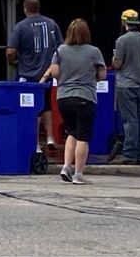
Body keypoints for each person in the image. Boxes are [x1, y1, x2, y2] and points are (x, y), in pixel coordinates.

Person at [40, 18, 105, 185]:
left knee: (71, 133)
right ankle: (78, 174)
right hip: (85, 97)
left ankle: (66, 167)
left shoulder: (60, 50)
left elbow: (54, 72)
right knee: (83, 137)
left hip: (63, 97)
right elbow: (102, 75)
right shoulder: (94, 51)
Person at [6, 0, 62, 148]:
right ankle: (50, 137)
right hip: (47, 73)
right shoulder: (51, 23)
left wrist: (12, 63)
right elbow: (61, 48)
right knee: (46, 104)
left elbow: (11, 51)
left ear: (25, 8)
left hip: (27, 75)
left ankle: (35, 142)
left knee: (30, 107)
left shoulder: (21, 27)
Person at [113, 9, 140, 165]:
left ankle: (129, 154)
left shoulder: (122, 41)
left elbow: (117, 64)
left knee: (130, 121)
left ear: (124, 22)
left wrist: (114, 59)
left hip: (126, 85)